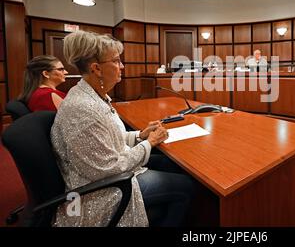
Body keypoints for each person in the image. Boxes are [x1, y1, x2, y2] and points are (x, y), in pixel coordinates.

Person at [51, 31, 194, 227]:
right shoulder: (83, 109)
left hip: (107, 174)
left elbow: (108, 139)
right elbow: (109, 167)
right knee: (186, 186)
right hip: (102, 191)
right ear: (97, 69)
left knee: (171, 164)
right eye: (117, 61)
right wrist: (149, 142)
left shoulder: (95, 95)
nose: (122, 66)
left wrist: (140, 135)